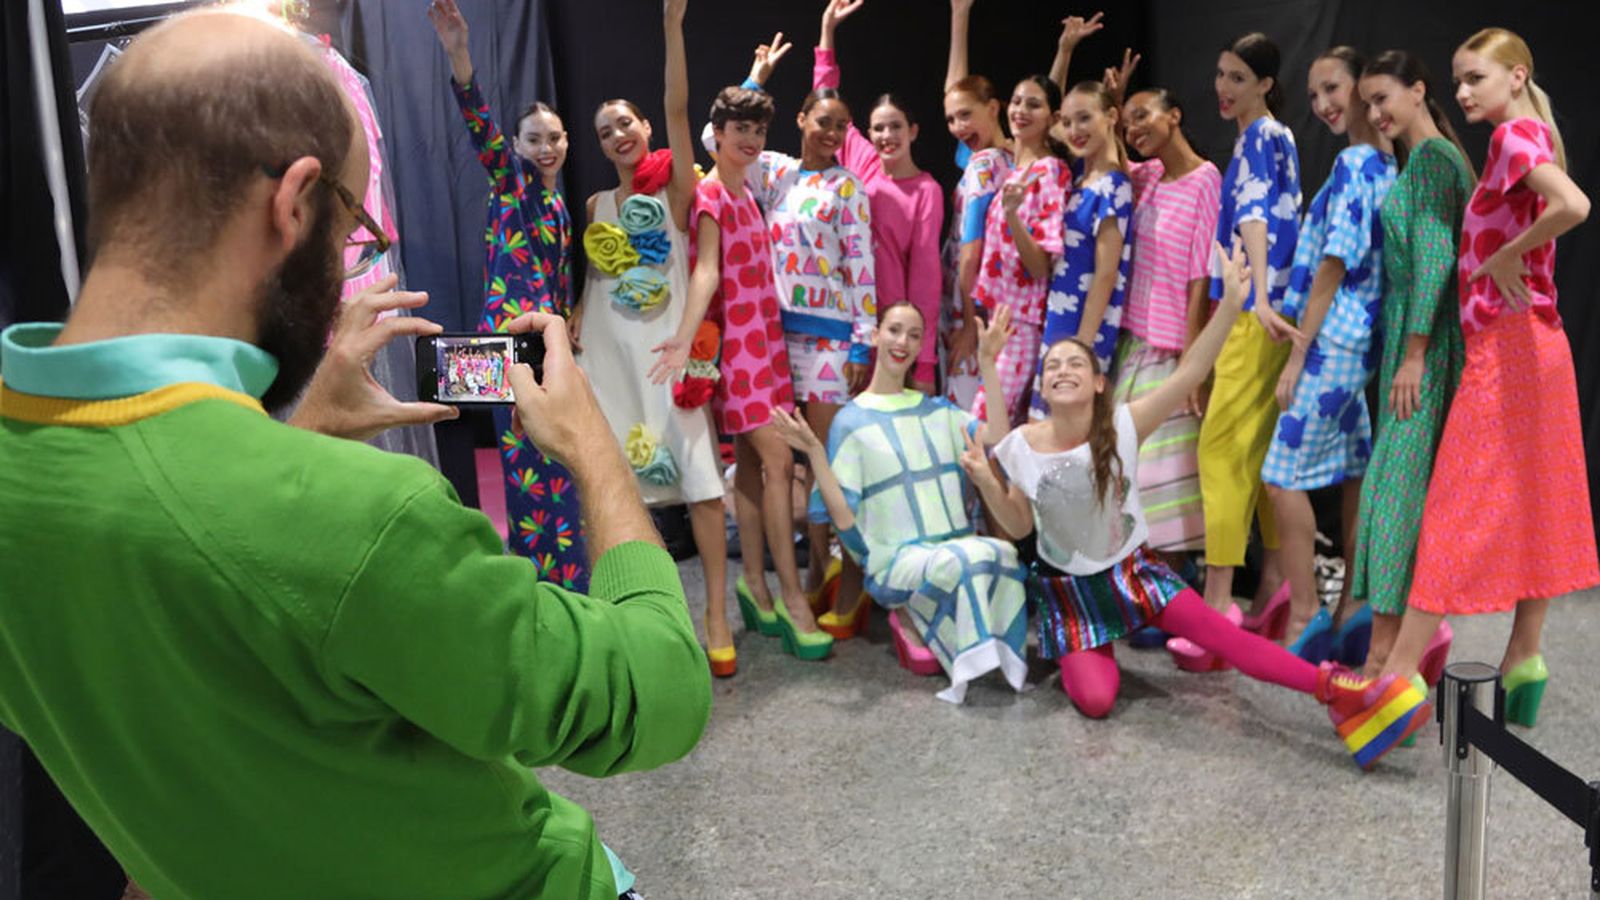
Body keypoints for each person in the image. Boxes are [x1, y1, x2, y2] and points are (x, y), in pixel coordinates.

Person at [0, 13, 710, 899]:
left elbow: (191, 584)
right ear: (292, 204)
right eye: (350, 230)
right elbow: (657, 694)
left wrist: (290, 445)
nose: (346, 266)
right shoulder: (365, 516)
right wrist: (594, 444)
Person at [969, 243, 1430, 769]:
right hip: (1074, 599)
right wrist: (987, 468)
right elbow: (1017, 522)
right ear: (1044, 387)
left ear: (1100, 383)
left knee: (1229, 640)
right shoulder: (1025, 442)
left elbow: (1190, 374)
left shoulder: (1122, 424)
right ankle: (1107, 648)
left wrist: (1232, 306)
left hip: (1135, 576)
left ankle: (1342, 694)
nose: (1061, 369)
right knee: (1096, 701)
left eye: (1076, 362)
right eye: (1052, 366)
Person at [1377, 27, 1597, 727]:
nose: (1464, 91)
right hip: (1537, 349)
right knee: (1539, 503)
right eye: (1459, 79)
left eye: (1475, 77)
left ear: (1516, 75)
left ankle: (1394, 683)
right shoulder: (1531, 134)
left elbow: (1574, 205)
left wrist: (1508, 255)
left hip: (1508, 350)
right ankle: (1525, 655)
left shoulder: (1511, 139)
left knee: (1451, 510)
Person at [572, 0, 732, 676]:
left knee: (700, 485)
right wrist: (577, 318)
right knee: (616, 492)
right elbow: (593, 280)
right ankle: (647, 617)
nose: (618, 135)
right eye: (606, 131)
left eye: (625, 123)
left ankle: (717, 615)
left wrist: (671, 29)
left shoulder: (672, 184)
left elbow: (678, 106)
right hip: (609, 357)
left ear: (643, 129)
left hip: (668, 351)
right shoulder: (594, 207)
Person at [651, 81, 834, 661]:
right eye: (741, 130)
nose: (752, 140)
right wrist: (683, 336)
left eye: (758, 130)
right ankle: (792, 596)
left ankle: (754, 588)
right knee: (780, 461)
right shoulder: (710, 195)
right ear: (720, 135)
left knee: (758, 469)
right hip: (737, 355)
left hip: (768, 344)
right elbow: (705, 270)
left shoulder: (749, 189)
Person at [771, 302, 1025, 703]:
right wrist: (815, 453)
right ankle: (912, 612)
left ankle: (932, 620)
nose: (902, 341)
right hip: (896, 560)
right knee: (966, 559)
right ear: (875, 336)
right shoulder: (850, 421)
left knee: (1002, 553)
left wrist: (988, 364)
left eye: (912, 334)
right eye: (893, 330)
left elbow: (997, 433)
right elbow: (843, 515)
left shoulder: (937, 411)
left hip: (949, 543)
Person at [428, 0, 589, 589]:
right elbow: (481, 129)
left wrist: (572, 320)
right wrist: (459, 56)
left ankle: (566, 583)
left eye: (554, 138)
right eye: (534, 140)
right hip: (505, 342)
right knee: (525, 465)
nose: (546, 147)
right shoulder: (511, 182)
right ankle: (540, 585)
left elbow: (560, 278)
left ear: (567, 142)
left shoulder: (558, 203)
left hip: (543, 342)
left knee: (557, 462)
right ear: (518, 148)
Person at [1261, 47, 1396, 659]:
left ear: (1363, 84)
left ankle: (1307, 614)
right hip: (1359, 338)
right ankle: (1352, 608)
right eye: (1314, 96)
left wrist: (1298, 354)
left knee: (1279, 475)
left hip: (1334, 337)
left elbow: (1334, 264)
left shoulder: (1357, 161)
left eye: (1332, 89)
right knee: (1352, 470)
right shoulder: (1389, 162)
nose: (1322, 106)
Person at [736, 33, 878, 609]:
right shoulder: (773, 171)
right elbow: (711, 137)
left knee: (824, 461)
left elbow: (861, 268)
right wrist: (756, 80)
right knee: (784, 459)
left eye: (840, 125)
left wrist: (863, 343)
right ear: (800, 119)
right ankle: (814, 567)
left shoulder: (848, 187)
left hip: (828, 339)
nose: (831, 131)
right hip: (774, 339)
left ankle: (834, 571)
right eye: (822, 120)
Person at [1349, 50, 1475, 680]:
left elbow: (1435, 262)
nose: (1375, 113)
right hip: (1414, 335)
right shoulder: (1433, 159)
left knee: (1392, 497)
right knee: (1397, 495)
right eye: (1367, 103)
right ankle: (1400, 649)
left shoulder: (1429, 160)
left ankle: (1383, 659)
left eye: (1382, 98)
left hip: (1422, 344)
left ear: (1419, 90)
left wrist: (1415, 355)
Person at [1198, 32, 1301, 638]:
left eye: (1238, 76)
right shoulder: (1274, 136)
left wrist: (1257, 295)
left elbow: (1257, 214)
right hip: (1266, 307)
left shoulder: (1261, 136)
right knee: (1257, 449)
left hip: (1256, 311)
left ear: (1264, 84)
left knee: (1221, 445)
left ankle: (1217, 602)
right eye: (1221, 73)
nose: (1223, 87)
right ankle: (1278, 583)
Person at [1111, 83, 1219, 572]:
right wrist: (1112, 109)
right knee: (1126, 465)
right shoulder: (1147, 175)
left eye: (1142, 116)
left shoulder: (1205, 179)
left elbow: (1201, 274)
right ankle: (1141, 583)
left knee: (1167, 476)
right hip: (1132, 337)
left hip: (1173, 345)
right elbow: (1108, 157)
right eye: (1127, 122)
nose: (1134, 130)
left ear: (1173, 114)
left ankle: (1172, 587)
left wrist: (1192, 361)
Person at [812, 0, 945, 395]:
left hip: (890, 334)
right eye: (879, 129)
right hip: (845, 316)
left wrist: (922, 361)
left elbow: (925, 279)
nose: (887, 136)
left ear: (914, 131)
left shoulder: (926, 191)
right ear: (867, 134)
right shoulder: (862, 162)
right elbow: (824, 98)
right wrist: (827, 33)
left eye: (895, 127)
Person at [969, 75, 1072, 425]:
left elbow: (1041, 265)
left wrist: (1013, 216)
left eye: (1033, 104)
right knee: (994, 431)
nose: (1021, 110)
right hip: (997, 320)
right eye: (1016, 101)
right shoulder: (1015, 169)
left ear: (1053, 118)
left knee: (987, 428)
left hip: (1022, 324)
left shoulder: (1051, 172)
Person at [1034, 80, 1132, 388]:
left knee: (1062, 421)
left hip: (1084, 326)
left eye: (1085, 118)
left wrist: (1082, 348)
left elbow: (1105, 274)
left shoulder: (1114, 185)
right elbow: (1045, 130)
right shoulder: (1078, 176)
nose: (1074, 129)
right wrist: (1064, 52)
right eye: (1068, 121)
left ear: (1111, 116)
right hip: (1058, 315)